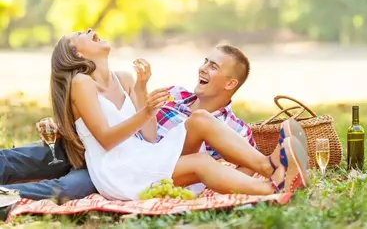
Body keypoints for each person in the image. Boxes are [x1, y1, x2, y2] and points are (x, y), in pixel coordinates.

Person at [0, 30, 308, 205]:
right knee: (36, 162)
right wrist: (147, 109)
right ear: (77, 55)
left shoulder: (124, 77)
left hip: (141, 153)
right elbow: (107, 139)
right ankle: (273, 184)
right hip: (116, 167)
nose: (92, 31)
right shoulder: (81, 82)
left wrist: (142, 89)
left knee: (199, 124)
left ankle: (271, 172)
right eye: (83, 35)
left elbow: (148, 136)